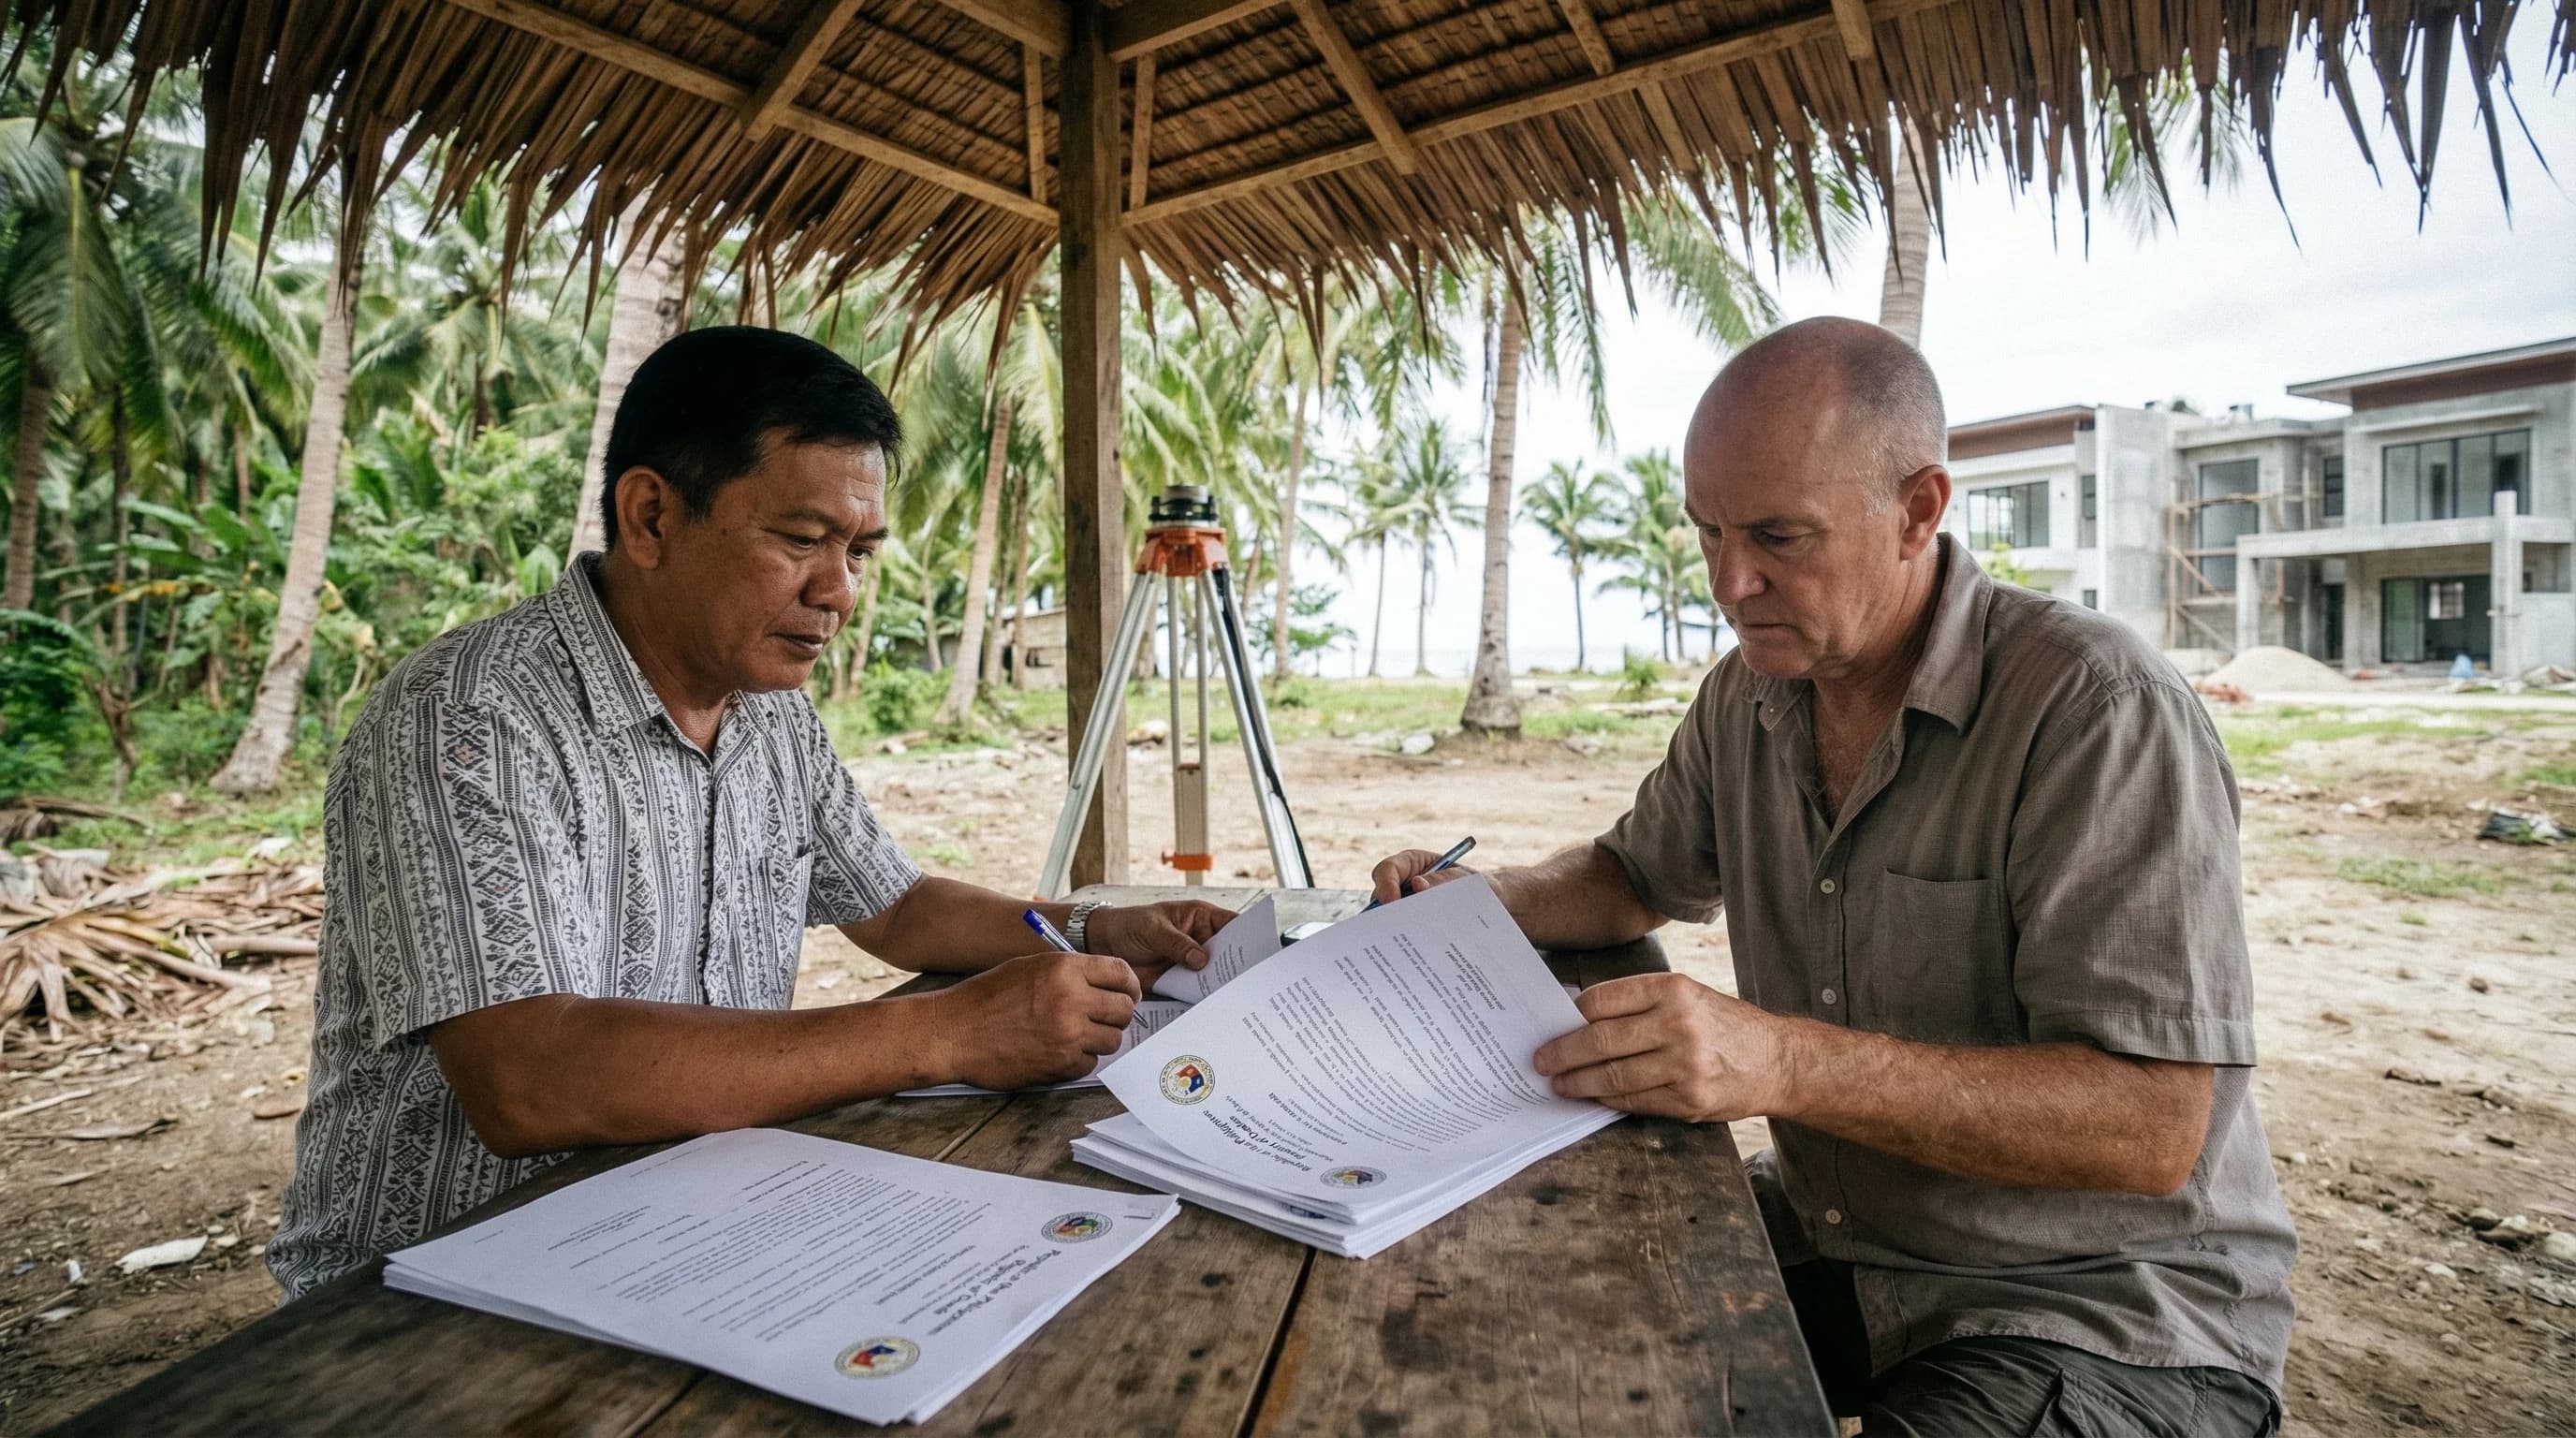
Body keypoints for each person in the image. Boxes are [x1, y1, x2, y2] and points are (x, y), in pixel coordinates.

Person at [1373, 317, 2295, 1435]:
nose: (1731, 579)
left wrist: (1782, 1062)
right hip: (1839, 1238)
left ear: (1918, 512)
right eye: (1706, 530)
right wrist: (1488, 897)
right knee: (1478, 1304)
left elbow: (2152, 1129)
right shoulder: (1752, 693)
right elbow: (1631, 873)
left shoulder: (2096, 711)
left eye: (1777, 535)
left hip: (2094, 1308)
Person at [272, 328, 1228, 1299]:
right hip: (428, 1288)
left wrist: (1089, 927)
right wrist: (942, 1034)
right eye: (803, 540)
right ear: (649, 517)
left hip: (693, 1236)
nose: (839, 592)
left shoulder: (771, 716)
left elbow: (895, 908)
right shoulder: (473, 715)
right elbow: (525, 1078)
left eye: (858, 550)